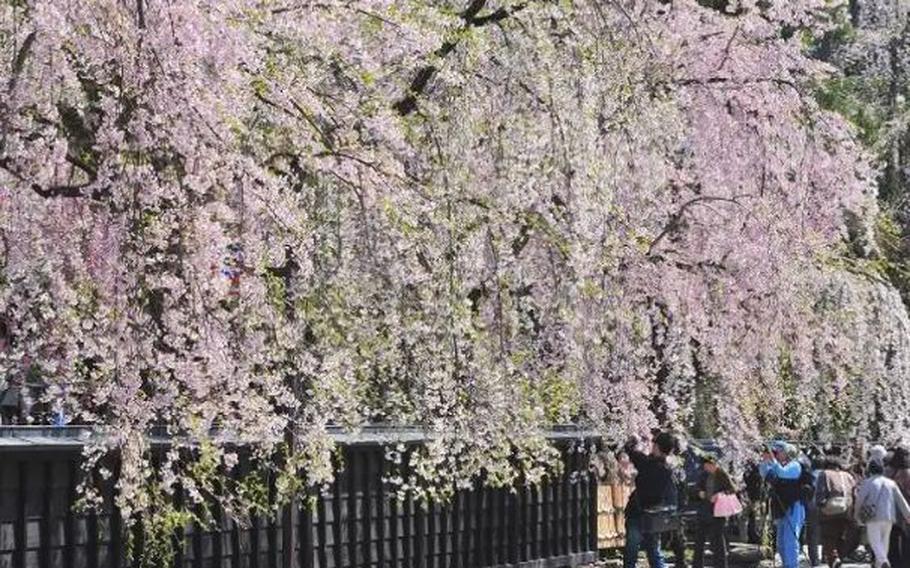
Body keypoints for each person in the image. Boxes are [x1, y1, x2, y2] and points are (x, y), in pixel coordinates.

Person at [623, 432, 679, 568]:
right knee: (653, 550)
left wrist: (633, 440)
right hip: (654, 515)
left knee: (632, 549)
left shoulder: (646, 463)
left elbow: (629, 450)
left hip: (637, 510)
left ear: (657, 447)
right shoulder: (668, 470)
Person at [855, 460, 910, 568]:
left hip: (872, 516)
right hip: (889, 516)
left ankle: (883, 561)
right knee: (885, 542)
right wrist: (908, 514)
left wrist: (856, 515)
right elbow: (900, 500)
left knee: (874, 541)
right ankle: (880, 564)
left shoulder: (867, 482)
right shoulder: (891, 483)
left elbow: (860, 500)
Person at [761, 441, 806, 568]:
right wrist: (765, 461)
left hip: (793, 506)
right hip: (781, 506)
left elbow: (782, 473)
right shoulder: (778, 465)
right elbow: (765, 473)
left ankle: (791, 565)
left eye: (778, 452)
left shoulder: (795, 465)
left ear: (787, 453)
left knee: (790, 540)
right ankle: (786, 564)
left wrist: (773, 460)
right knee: (780, 541)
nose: (776, 454)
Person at [692, 454, 736, 568]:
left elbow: (732, 489)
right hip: (704, 510)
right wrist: (699, 492)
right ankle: (697, 565)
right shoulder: (703, 475)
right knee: (699, 541)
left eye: (708, 465)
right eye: (705, 465)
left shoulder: (722, 475)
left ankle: (720, 565)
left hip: (718, 512)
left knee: (717, 542)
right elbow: (695, 488)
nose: (706, 467)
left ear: (713, 464)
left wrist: (719, 495)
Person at [815, 455, 858, 568]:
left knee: (828, 537)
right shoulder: (848, 476)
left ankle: (834, 558)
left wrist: (820, 504)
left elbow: (820, 492)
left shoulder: (824, 474)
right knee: (841, 537)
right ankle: (839, 558)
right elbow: (855, 493)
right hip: (846, 511)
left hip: (830, 511)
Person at [889, 447, 910, 568]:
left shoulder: (888, 472)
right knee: (907, 540)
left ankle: (894, 563)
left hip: (890, 511)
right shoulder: (908, 472)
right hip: (907, 511)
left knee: (892, 540)